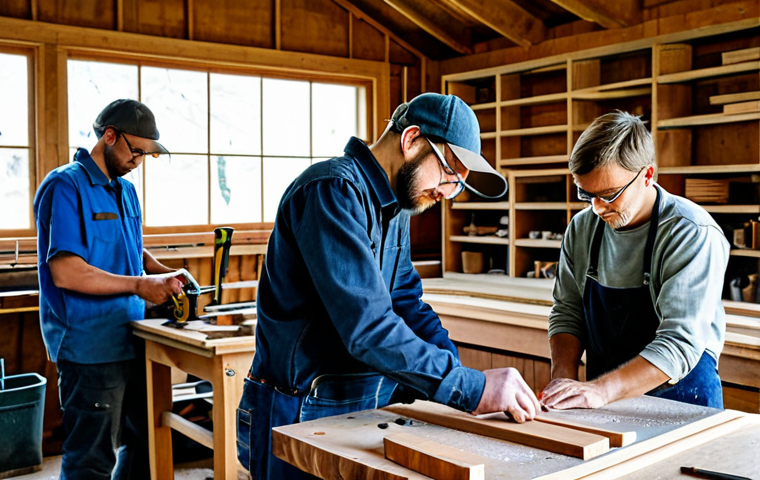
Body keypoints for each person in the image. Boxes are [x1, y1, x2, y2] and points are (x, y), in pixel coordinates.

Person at [237, 93, 542, 479]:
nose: (448, 193)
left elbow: (405, 303)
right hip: (298, 406)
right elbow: (368, 328)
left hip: (362, 402)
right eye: (449, 173)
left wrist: (458, 376)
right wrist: (469, 387)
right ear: (411, 139)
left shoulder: (395, 207)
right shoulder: (331, 191)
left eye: (459, 185)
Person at [34, 99, 185, 480]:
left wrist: (165, 273)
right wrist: (139, 284)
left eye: (146, 155)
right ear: (110, 136)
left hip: (133, 335)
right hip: (90, 345)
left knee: (145, 439)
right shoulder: (65, 186)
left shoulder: (125, 191)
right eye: (135, 151)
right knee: (92, 457)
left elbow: (129, 248)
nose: (138, 161)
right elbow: (67, 271)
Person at [541, 111, 728, 411]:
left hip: (682, 405)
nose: (597, 207)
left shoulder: (690, 232)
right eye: (585, 193)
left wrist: (601, 391)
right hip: (606, 402)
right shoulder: (582, 228)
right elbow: (568, 312)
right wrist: (561, 384)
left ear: (647, 176)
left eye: (609, 194)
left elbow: (679, 343)